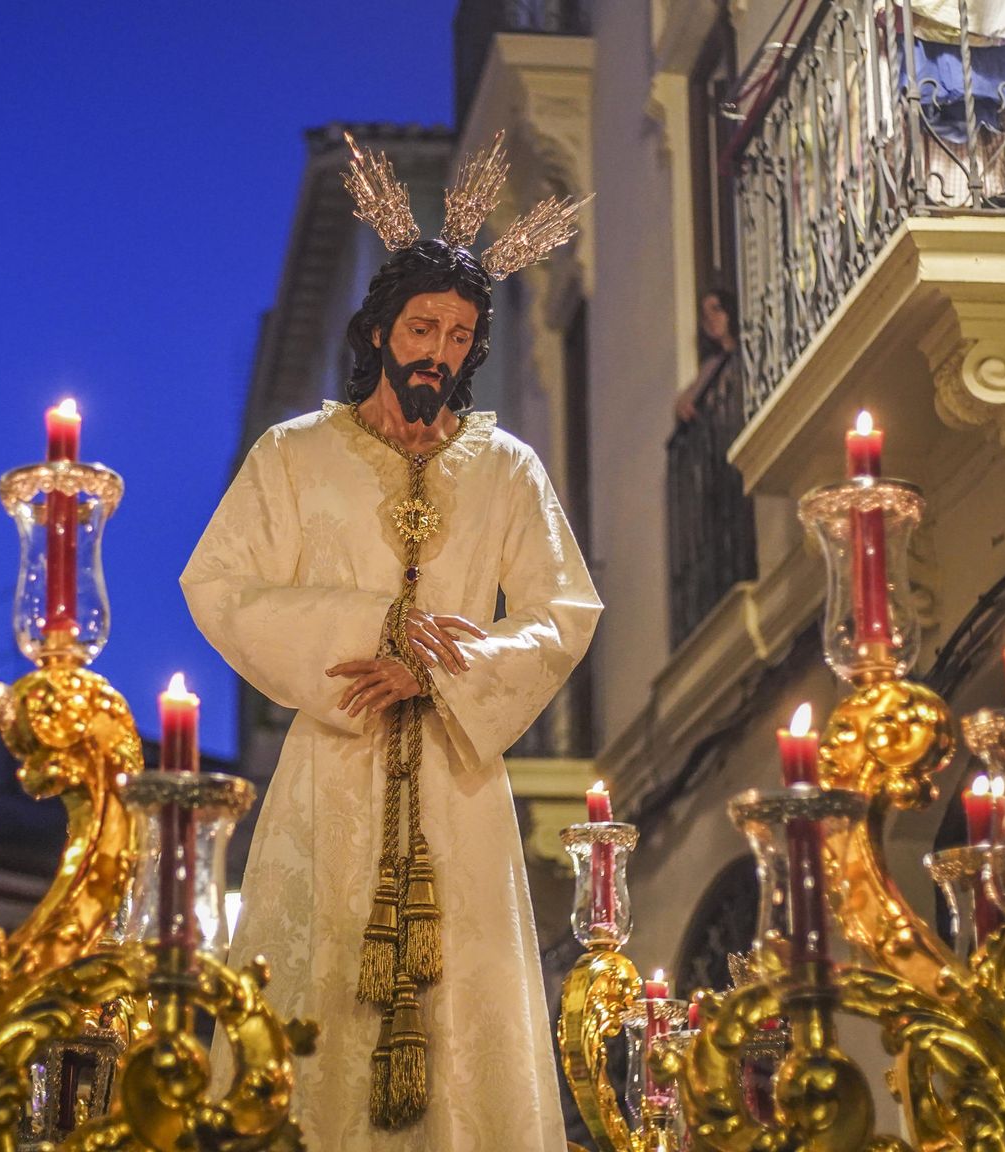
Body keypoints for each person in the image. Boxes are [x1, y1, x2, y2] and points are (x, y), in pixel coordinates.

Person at [180, 133, 600, 1149]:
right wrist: (363, 633)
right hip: (331, 768)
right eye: (421, 328)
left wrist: (451, 666)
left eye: (458, 337)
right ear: (377, 334)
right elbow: (219, 584)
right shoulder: (295, 456)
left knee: (472, 1025)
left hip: (458, 783)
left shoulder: (505, 468)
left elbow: (563, 611)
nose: (437, 354)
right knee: (311, 1016)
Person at [675, 288, 737, 424]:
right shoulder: (711, 365)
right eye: (705, 315)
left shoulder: (747, 351)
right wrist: (681, 406)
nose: (710, 318)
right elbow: (686, 400)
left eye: (716, 309)